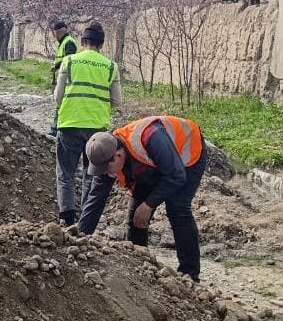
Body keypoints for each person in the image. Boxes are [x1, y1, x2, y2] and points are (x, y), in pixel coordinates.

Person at [79, 115, 207, 281]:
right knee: (136, 216)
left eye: (105, 168)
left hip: (187, 156)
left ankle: (190, 274)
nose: (104, 172)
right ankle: (138, 265)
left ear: (118, 155)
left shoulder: (150, 136)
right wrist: (78, 240)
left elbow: (176, 176)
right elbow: (95, 200)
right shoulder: (105, 156)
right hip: (151, 165)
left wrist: (149, 204)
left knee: (177, 207)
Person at [52, 21, 122, 226]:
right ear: (102, 45)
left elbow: (58, 97)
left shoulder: (70, 61)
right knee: (91, 173)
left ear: (82, 42)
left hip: (69, 124)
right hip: (96, 129)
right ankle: (85, 219)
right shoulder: (110, 66)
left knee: (65, 172)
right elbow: (117, 102)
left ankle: (66, 218)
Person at [49, 20, 79, 87]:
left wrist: (56, 66)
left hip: (68, 79)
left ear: (57, 33)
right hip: (64, 78)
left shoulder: (69, 42)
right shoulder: (65, 42)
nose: (55, 36)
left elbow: (69, 59)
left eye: (55, 34)